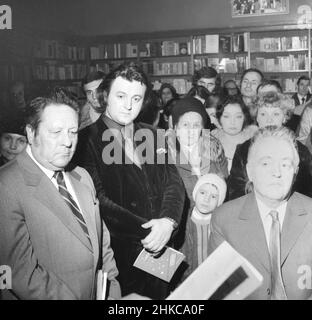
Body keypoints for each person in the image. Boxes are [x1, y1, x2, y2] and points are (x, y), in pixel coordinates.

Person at [73, 63, 185, 299]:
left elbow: (173, 183)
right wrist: (151, 231)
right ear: (105, 96)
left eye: (137, 98)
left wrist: (168, 222)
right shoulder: (85, 140)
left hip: (161, 250)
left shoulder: (153, 135)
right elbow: (98, 200)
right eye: (121, 96)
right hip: (118, 255)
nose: (128, 105)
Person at [0, 94, 121, 300]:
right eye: (56, 132)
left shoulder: (82, 176)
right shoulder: (6, 185)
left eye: (73, 132)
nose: (67, 142)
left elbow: (102, 243)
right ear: (31, 133)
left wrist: (112, 291)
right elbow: (18, 274)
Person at [208, 126, 312, 300]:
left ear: (295, 172)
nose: (276, 173)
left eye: (285, 164)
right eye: (266, 163)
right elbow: (221, 291)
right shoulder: (224, 219)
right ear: (249, 171)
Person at [228, 91, 312, 200]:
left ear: (285, 117)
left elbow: (306, 192)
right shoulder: (243, 150)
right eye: (263, 114)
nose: (269, 119)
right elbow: (236, 192)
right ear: (256, 118)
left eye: (276, 114)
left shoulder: (300, 151)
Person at [181, 173, 227, 280]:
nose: (207, 199)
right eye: (202, 193)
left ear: (219, 202)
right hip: (183, 284)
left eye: (213, 196)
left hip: (211, 283)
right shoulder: (180, 222)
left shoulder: (222, 227)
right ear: (195, 194)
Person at [212, 95, 257, 171]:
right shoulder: (210, 139)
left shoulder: (253, 138)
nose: (232, 122)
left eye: (238, 117)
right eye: (226, 116)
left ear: (244, 118)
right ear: (219, 119)